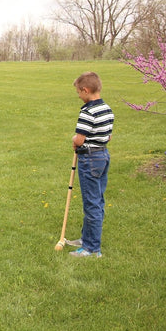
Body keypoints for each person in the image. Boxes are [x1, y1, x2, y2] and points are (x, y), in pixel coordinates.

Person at [67, 72, 114, 258]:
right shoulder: (107, 108)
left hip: (90, 159)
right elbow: (108, 136)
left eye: (78, 92)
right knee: (97, 200)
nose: (78, 96)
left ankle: (91, 248)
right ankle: (87, 238)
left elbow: (79, 139)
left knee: (91, 203)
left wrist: (74, 140)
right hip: (103, 156)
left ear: (85, 90)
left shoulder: (87, 112)